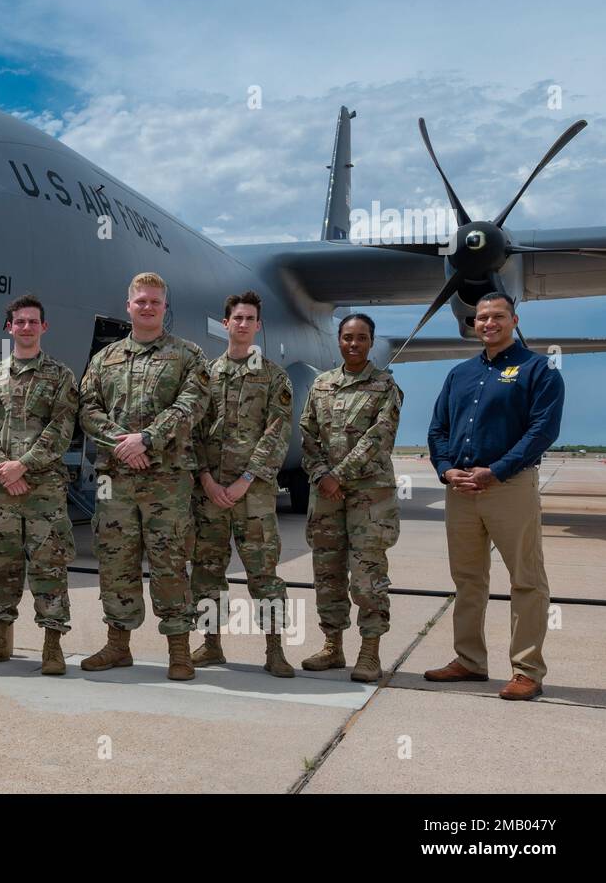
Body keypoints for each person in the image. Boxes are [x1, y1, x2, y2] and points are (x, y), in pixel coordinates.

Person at [425, 292, 564, 701]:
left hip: (509, 486)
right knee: (468, 580)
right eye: (481, 317)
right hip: (461, 489)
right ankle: (469, 660)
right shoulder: (460, 374)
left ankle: (527, 670)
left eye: (497, 316)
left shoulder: (539, 369)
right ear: (473, 324)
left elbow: (542, 431)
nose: (488, 323)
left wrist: (496, 471)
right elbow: (438, 429)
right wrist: (447, 469)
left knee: (526, 580)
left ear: (514, 319)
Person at [79, 272, 210, 680]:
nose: (148, 307)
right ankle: (118, 646)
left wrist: (148, 440)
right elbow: (87, 408)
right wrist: (125, 442)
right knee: (116, 562)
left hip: (167, 482)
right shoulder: (105, 359)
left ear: (164, 307)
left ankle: (179, 650)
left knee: (170, 562)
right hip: (116, 480)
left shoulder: (188, 356)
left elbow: (193, 403)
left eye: (155, 301)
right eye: (141, 301)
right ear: (129, 306)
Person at [0, 295, 77, 675]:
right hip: (1, 490)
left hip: (43, 490)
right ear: (8, 327)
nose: (26, 327)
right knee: (1, 566)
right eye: (20, 321)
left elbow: (62, 428)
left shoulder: (60, 377)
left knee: (49, 566)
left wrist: (23, 466)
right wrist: (3, 468)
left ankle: (52, 646)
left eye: (33, 321)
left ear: (43, 327)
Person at [190, 291, 295, 676]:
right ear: (226, 324)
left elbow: (276, 433)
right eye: (237, 318)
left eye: (250, 318)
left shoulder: (273, 376)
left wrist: (245, 480)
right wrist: (207, 480)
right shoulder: (205, 377)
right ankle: (211, 643)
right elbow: (195, 432)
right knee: (206, 571)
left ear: (258, 326)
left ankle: (275, 649)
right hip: (210, 495)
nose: (243, 324)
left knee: (264, 573)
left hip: (253, 497)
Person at [299, 312, 402, 682]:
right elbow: (307, 435)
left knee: (366, 576)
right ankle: (332, 646)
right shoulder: (321, 385)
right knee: (327, 573)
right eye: (347, 337)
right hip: (326, 496)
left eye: (361, 337)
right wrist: (320, 474)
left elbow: (378, 438)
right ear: (338, 340)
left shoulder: (384, 386)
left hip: (369, 497)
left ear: (371, 342)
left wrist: (337, 476)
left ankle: (370, 651)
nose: (353, 343)